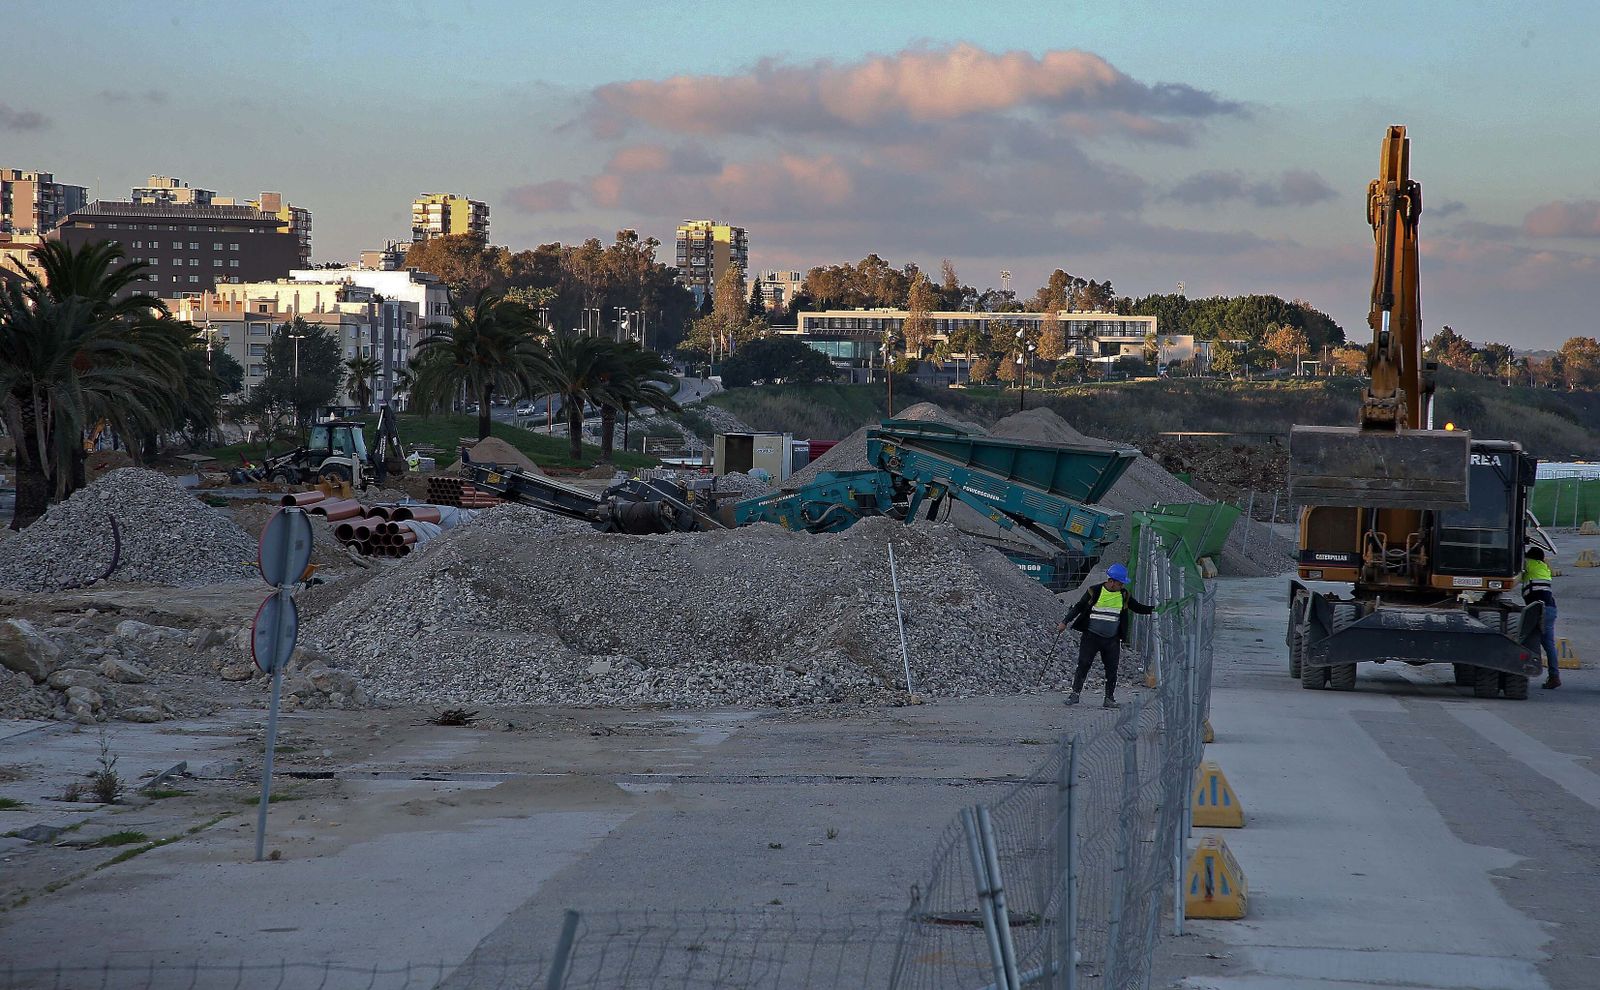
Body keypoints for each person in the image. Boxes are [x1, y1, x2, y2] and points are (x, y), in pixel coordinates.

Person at [1058, 562, 1154, 709]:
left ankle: (1109, 698)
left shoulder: (1124, 595)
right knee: (1083, 664)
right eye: (1120, 583)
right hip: (1091, 637)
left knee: (1112, 668)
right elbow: (1079, 606)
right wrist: (1065, 621)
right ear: (1111, 581)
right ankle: (1075, 694)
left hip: (1112, 640)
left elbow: (1138, 608)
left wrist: (1155, 610)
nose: (1121, 586)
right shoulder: (1094, 591)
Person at [1523, 546, 1560, 689]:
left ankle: (1524, 672)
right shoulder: (1544, 567)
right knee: (1548, 644)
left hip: (1537, 609)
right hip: (1551, 608)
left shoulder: (1528, 564)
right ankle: (1554, 676)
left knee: (1526, 639)